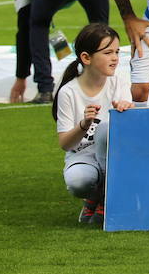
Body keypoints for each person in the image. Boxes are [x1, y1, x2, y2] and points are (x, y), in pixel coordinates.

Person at [8, 0, 111, 105]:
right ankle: (104, 83)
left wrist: (21, 77)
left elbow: (23, 31)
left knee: (37, 27)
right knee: (101, 28)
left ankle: (45, 90)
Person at [53, 23, 131, 226]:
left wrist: (126, 110)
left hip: (114, 156)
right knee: (78, 182)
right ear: (86, 58)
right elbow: (65, 144)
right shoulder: (68, 92)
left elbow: (126, 133)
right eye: (107, 53)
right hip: (83, 154)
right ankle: (97, 194)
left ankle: (105, 197)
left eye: (117, 52)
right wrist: (83, 124)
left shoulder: (119, 83)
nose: (115, 58)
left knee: (106, 129)